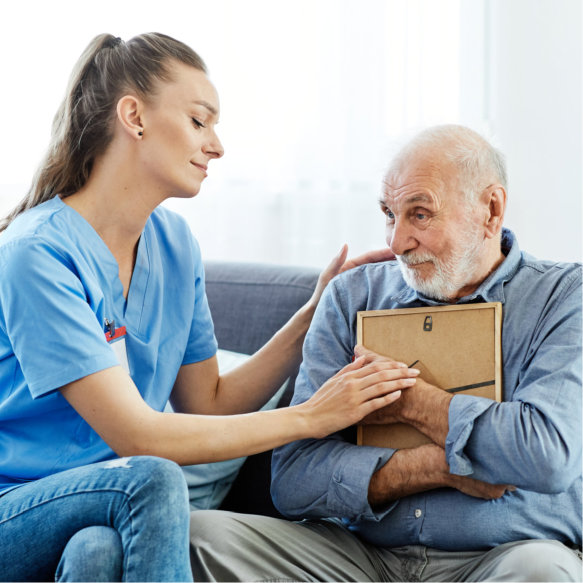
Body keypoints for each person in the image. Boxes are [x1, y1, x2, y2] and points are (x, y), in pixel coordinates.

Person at [0, 32, 408, 582]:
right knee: (154, 477)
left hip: (103, 505)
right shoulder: (37, 254)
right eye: (199, 121)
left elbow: (210, 403)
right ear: (133, 116)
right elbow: (137, 438)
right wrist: (310, 417)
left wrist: (312, 314)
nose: (217, 145)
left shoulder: (174, 244)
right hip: (16, 507)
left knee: (98, 553)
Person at [189, 124, 583, 582]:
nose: (397, 243)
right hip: (356, 557)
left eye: (420, 214)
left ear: (490, 211)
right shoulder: (351, 297)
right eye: (388, 214)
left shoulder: (564, 297)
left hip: (498, 559)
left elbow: (547, 455)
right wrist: (441, 467)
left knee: (544, 571)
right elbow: (293, 480)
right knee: (198, 535)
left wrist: (413, 403)